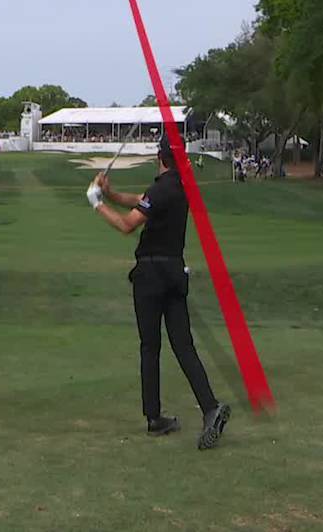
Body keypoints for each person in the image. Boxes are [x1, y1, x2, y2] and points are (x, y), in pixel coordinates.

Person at [89, 139, 231, 449]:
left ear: (159, 158)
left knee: (150, 347)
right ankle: (209, 407)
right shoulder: (180, 188)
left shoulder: (162, 189)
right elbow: (140, 200)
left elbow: (128, 225)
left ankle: (153, 418)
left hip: (150, 275)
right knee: (184, 345)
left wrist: (97, 203)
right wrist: (111, 193)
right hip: (175, 273)